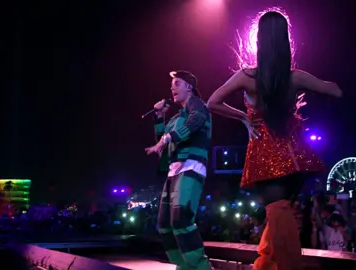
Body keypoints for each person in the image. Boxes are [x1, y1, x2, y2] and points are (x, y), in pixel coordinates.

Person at [207, 11, 342, 270]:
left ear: (259, 41)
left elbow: (213, 102)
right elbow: (335, 90)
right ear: (285, 41)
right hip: (297, 160)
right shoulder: (295, 77)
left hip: (267, 160)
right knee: (278, 221)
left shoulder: (247, 77)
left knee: (279, 220)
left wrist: (244, 118)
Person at [145, 70, 212, 270]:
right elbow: (164, 139)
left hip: (191, 165)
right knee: (165, 224)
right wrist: (159, 117)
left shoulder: (197, 105)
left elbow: (195, 122)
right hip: (174, 171)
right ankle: (184, 267)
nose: (172, 88)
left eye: (177, 83)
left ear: (189, 87)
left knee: (181, 219)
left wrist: (166, 139)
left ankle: (201, 268)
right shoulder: (175, 118)